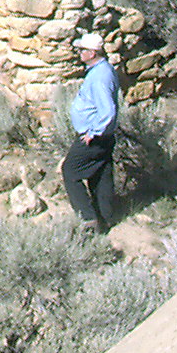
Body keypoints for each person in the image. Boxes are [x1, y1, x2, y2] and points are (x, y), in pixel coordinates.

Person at [61, 31, 120, 231]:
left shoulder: (100, 77)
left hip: (94, 137)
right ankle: (106, 218)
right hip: (104, 137)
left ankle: (88, 219)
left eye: (82, 50)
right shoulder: (102, 71)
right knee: (101, 174)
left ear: (93, 52)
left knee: (70, 170)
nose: (79, 53)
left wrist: (94, 132)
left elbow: (108, 110)